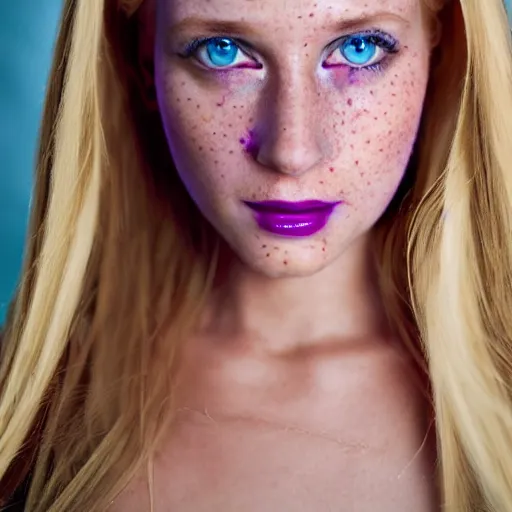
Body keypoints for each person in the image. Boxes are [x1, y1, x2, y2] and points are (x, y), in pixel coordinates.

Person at [1, 0, 512, 510]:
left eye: (360, 48)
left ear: (439, 47)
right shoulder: (25, 423)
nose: (292, 151)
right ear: (143, 60)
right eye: (222, 52)